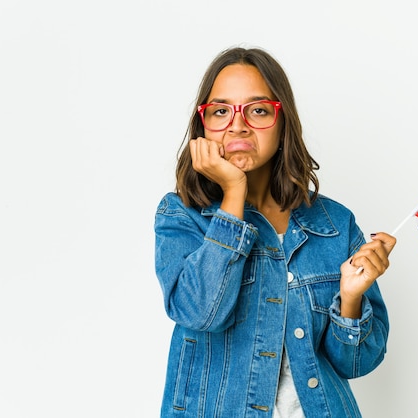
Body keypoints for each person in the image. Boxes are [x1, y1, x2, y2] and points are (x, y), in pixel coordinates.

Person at [154, 46, 396, 418]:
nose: (237, 125)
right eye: (220, 111)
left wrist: (350, 299)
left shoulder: (333, 224)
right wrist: (234, 193)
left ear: (282, 125)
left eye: (258, 110)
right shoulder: (183, 216)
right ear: (202, 127)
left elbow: (357, 364)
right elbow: (200, 312)